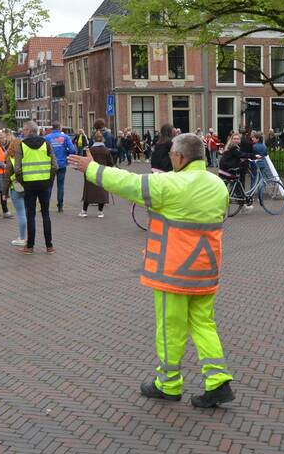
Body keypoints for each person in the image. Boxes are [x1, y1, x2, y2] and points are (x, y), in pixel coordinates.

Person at [68, 133, 235, 408]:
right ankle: (218, 380)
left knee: (170, 328)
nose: (170, 160)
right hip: (206, 270)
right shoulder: (218, 186)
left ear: (180, 158)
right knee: (204, 324)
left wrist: (93, 169)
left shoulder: (169, 185)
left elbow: (129, 183)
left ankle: (168, 384)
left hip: (174, 272)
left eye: (172, 156)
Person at [13, 121, 58, 254]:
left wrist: (23, 182)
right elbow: (55, 166)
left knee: (30, 214)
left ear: (29, 130)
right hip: (44, 183)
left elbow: (17, 169)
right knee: (45, 214)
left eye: (24, 130)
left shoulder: (21, 146)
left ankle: (30, 246)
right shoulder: (46, 144)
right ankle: (49, 246)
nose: (22, 132)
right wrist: (49, 181)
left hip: (29, 184)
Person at [45, 122, 78, 213]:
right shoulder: (66, 137)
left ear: (52, 128)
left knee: (49, 186)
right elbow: (72, 150)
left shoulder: (47, 138)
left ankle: (45, 205)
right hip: (62, 164)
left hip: (51, 165)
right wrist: (66, 153)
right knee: (60, 186)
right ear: (60, 128)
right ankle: (60, 206)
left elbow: (43, 151)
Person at [80, 131, 113, 217]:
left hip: (90, 172)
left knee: (88, 192)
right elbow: (110, 163)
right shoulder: (106, 151)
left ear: (94, 139)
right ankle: (100, 211)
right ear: (103, 139)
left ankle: (84, 211)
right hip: (102, 173)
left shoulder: (89, 150)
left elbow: (84, 160)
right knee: (101, 191)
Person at [3, 137, 29, 246]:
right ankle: (29, 237)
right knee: (28, 213)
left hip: (16, 188)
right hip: (27, 186)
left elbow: (7, 177)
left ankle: (22, 238)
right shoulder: (26, 157)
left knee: (21, 213)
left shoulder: (11, 159)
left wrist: (4, 193)